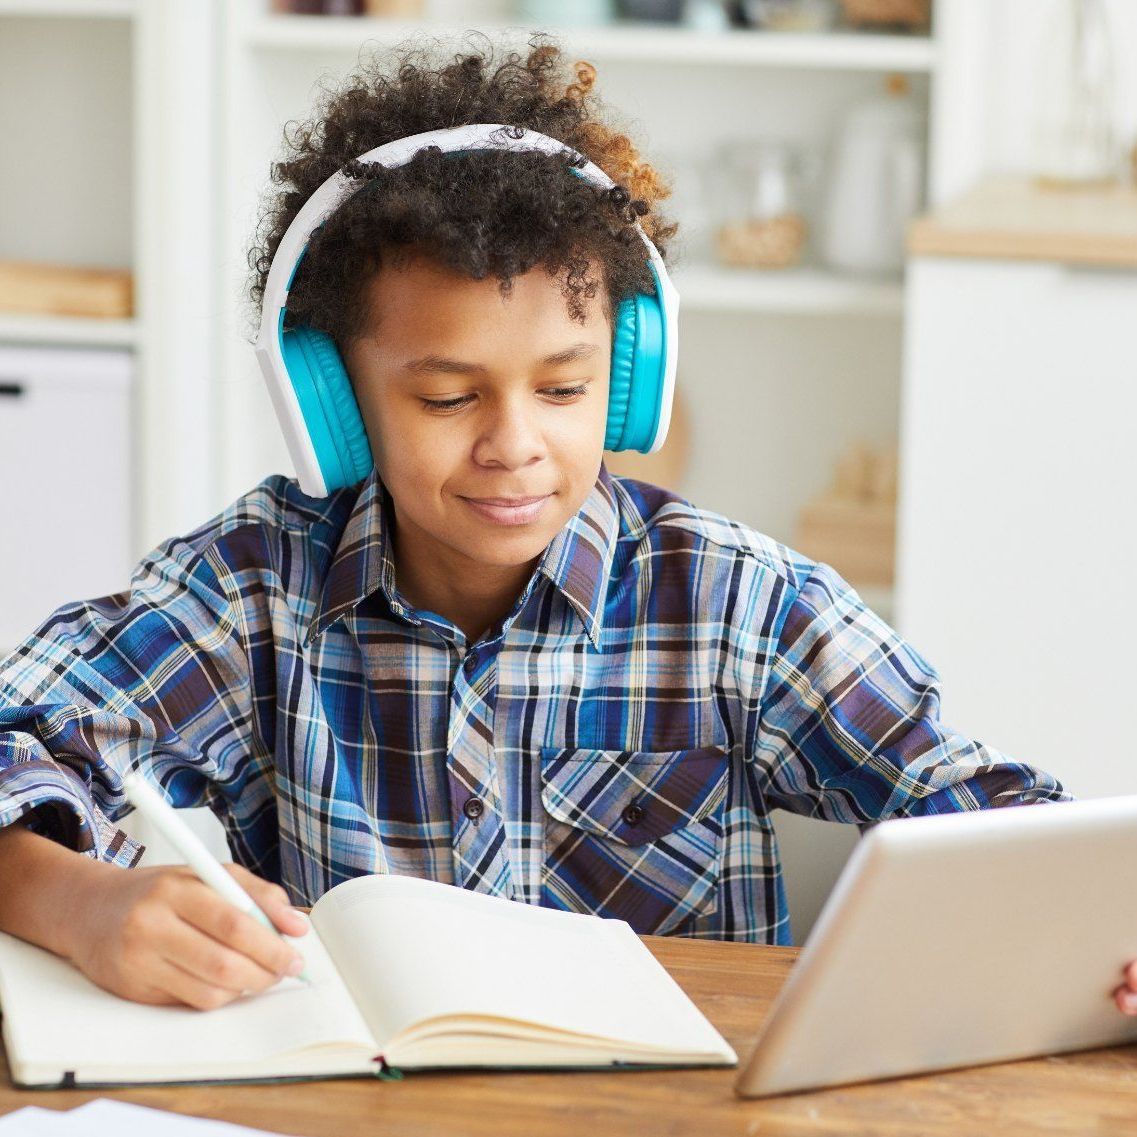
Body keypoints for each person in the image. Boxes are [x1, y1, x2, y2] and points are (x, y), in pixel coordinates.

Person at [1, 33, 1134, 1019]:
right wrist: (80, 900)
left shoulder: (738, 606)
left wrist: (1102, 931)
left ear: (628, 383)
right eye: (447, 398)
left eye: (563, 388)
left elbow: (977, 807)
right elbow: (23, 739)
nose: (514, 444)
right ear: (332, 404)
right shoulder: (253, 593)